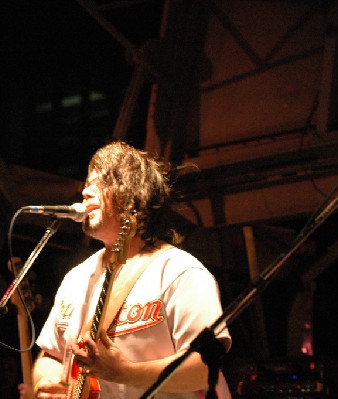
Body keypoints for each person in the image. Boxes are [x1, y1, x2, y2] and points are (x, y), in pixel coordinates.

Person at [19, 141, 231, 399]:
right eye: (87, 183)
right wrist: (45, 385)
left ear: (133, 194)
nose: (86, 192)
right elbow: (50, 355)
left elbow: (206, 367)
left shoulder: (179, 272)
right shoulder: (76, 279)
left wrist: (125, 372)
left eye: (100, 183)